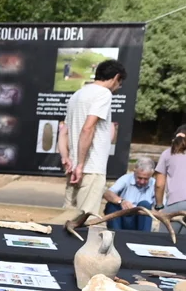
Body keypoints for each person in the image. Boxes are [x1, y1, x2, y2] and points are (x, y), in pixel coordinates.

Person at [57, 59, 127, 215]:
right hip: (90, 167)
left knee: (66, 218)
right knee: (85, 220)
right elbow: (88, 128)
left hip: (73, 168)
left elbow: (63, 132)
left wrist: (65, 157)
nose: (118, 87)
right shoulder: (103, 94)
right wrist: (81, 164)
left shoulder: (77, 94)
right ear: (116, 77)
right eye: (120, 83)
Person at [102, 157, 156, 231]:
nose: (142, 182)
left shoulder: (155, 184)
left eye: (146, 179)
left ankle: (144, 236)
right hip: (123, 217)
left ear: (151, 175)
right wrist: (121, 201)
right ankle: (116, 234)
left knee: (145, 204)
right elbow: (107, 193)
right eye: (139, 178)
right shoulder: (126, 178)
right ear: (134, 171)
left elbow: (161, 208)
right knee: (111, 205)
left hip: (141, 220)